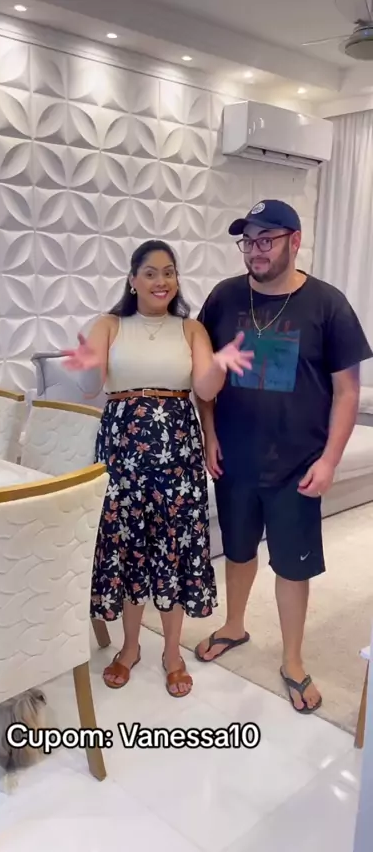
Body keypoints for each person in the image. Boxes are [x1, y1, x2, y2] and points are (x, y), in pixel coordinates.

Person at [193, 199, 372, 713]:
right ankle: (233, 625)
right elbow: (204, 377)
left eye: (266, 240)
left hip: (298, 464)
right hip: (234, 458)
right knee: (237, 550)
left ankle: (292, 659)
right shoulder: (224, 298)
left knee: (293, 566)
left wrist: (330, 460)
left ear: (295, 241)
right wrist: (209, 434)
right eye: (248, 241)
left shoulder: (328, 304)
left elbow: (347, 392)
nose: (256, 251)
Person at [62, 239, 254, 697]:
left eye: (169, 272)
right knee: (130, 547)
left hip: (177, 451)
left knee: (173, 547)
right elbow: (90, 387)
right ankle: (130, 647)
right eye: (150, 272)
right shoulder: (109, 325)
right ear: (133, 280)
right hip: (122, 452)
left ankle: (172, 653)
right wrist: (86, 364)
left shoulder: (191, 330)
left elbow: (205, 389)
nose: (161, 281)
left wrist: (220, 364)